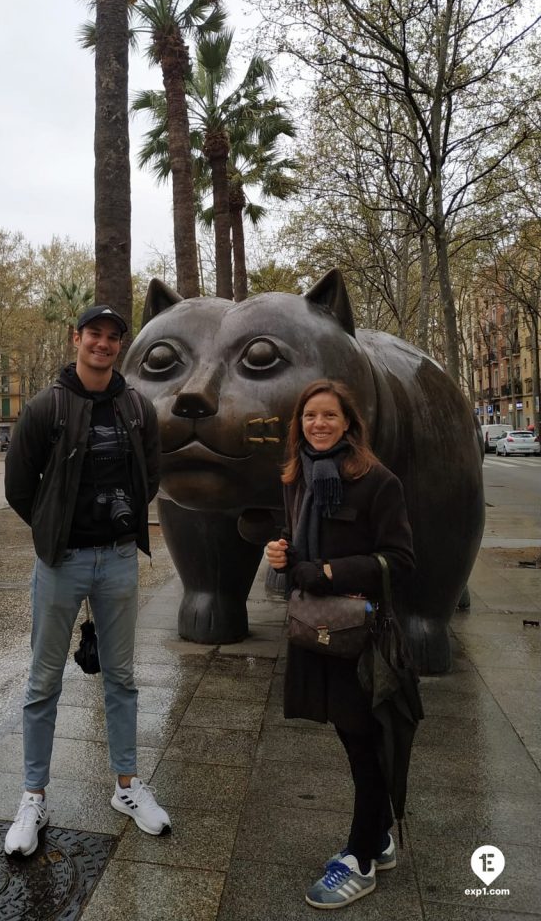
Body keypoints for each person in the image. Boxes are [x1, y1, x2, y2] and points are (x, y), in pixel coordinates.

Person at [4, 304, 170, 857]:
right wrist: (55, 529)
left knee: (121, 677)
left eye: (112, 336)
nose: (102, 343)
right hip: (62, 561)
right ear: (75, 338)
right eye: (93, 333)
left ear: (120, 345)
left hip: (118, 560)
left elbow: (150, 475)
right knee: (43, 681)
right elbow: (19, 487)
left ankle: (127, 786)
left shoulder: (137, 408)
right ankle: (33, 797)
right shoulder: (45, 407)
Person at [265, 379, 415, 910]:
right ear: (299, 424)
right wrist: (282, 553)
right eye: (310, 416)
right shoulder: (296, 477)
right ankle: (379, 838)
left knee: (365, 741)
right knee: (351, 737)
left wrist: (329, 571)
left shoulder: (378, 482)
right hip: (318, 629)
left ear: (349, 422)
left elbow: (400, 560)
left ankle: (360, 859)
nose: (319, 424)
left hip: (362, 637)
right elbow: (296, 539)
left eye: (329, 415)